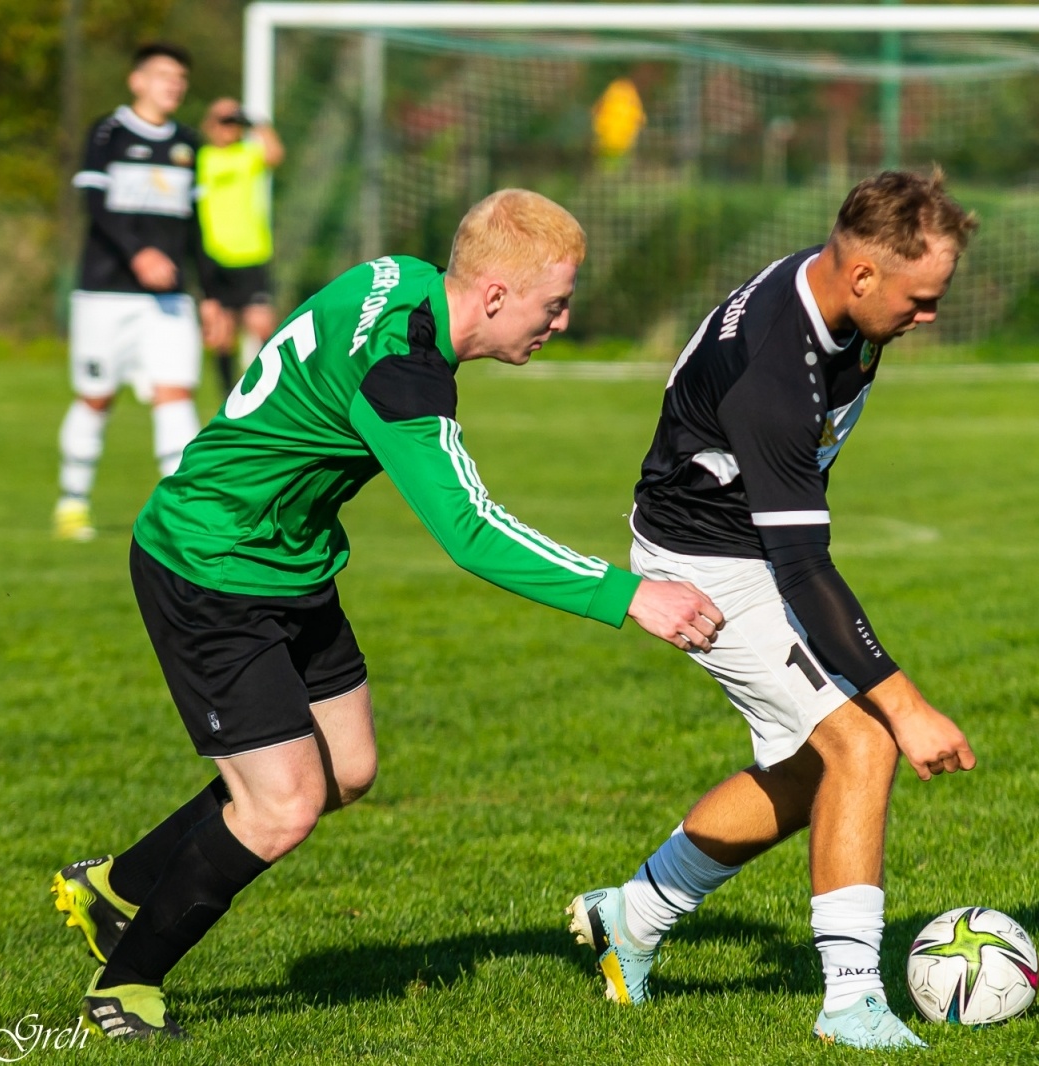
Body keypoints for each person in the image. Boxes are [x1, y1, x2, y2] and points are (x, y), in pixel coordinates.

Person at [48, 190, 725, 1040]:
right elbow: (471, 531)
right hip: (210, 564)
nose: (561, 321)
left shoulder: (399, 276)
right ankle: (125, 985)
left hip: (289, 559)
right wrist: (630, 596)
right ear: (494, 296)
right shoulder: (403, 372)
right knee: (282, 806)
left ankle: (116, 887)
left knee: (348, 767)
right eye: (553, 304)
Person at [565, 169, 978, 1050]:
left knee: (809, 769)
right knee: (864, 743)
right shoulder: (775, 373)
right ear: (862, 275)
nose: (930, 315)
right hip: (708, 564)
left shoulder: (841, 297)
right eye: (920, 299)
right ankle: (851, 1004)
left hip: (743, 543)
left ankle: (631, 916)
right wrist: (908, 705)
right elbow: (801, 566)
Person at [54, 43, 215, 542]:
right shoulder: (108, 133)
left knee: (175, 394)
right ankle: (73, 502)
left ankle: (181, 514)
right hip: (105, 295)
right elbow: (96, 205)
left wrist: (210, 294)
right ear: (137, 80)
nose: (175, 84)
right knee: (96, 396)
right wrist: (138, 253)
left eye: (181, 76)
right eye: (165, 74)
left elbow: (196, 226)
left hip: (169, 301)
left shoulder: (189, 144)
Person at [196, 97, 284, 395]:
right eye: (223, 121)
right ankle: (228, 398)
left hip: (251, 255)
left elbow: (275, 153)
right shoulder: (201, 158)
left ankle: (271, 392)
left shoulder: (247, 155)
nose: (229, 127)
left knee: (263, 327)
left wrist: (256, 122)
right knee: (221, 335)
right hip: (215, 257)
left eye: (234, 121)